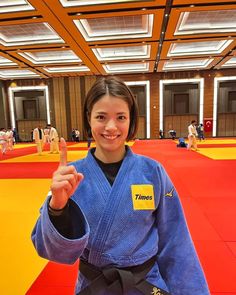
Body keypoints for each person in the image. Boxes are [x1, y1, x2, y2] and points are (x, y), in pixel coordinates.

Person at [31, 77, 210, 295]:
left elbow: (175, 241)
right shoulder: (69, 177)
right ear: (89, 118)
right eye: (101, 117)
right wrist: (56, 208)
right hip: (95, 287)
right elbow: (51, 250)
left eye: (121, 117)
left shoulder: (152, 172)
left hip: (145, 286)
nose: (111, 127)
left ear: (131, 120)